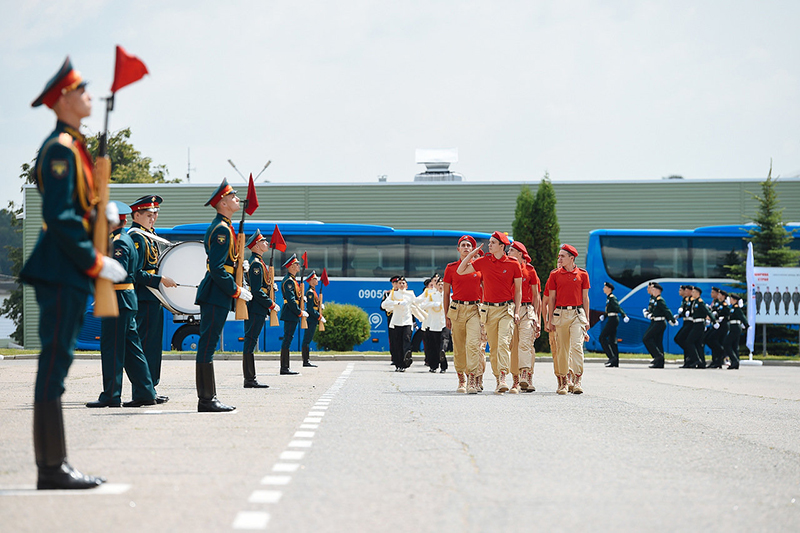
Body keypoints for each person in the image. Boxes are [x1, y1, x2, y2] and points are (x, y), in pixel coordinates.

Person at [22, 57, 128, 489]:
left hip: (68, 270)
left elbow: (76, 210)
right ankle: (51, 468)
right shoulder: (61, 149)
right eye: (82, 89)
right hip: (63, 268)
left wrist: (104, 215)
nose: (89, 95)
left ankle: (55, 465)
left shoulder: (71, 145)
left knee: (58, 362)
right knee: (54, 364)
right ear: (63, 98)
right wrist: (95, 260)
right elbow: (60, 217)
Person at [87, 200, 159, 408]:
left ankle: (111, 395)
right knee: (131, 350)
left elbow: (118, 273)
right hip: (125, 301)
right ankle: (145, 392)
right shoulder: (125, 238)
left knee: (112, 349)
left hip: (117, 300)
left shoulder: (118, 242)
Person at [195, 178, 252, 412]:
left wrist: (240, 265)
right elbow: (217, 268)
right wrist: (236, 289)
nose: (237, 199)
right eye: (233, 196)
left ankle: (209, 398)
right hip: (216, 293)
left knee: (209, 345)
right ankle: (206, 400)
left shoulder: (225, 226)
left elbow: (224, 263)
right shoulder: (221, 229)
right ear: (223, 202)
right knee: (207, 345)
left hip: (218, 293)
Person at [457, 231, 522, 394]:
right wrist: (472, 254)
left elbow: (519, 291)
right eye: (490, 242)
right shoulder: (483, 261)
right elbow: (461, 270)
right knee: (493, 347)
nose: (489, 245)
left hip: (506, 309)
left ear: (502, 246)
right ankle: (497, 377)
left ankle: (502, 378)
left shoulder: (514, 264)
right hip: (489, 310)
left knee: (503, 343)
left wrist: (517, 311)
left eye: (493, 242)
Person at [128, 194, 176, 402]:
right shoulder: (137, 237)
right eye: (148, 215)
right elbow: (135, 273)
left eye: (155, 214)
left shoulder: (150, 235)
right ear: (136, 215)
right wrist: (160, 280)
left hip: (153, 299)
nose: (153, 218)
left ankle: (151, 389)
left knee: (153, 348)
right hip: (144, 298)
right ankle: (142, 392)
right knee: (145, 347)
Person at [544, 244, 590, 395]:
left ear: (572, 258)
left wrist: (587, 319)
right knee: (562, 349)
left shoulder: (583, 274)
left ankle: (577, 380)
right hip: (560, 314)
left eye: (562, 256)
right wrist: (550, 319)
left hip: (577, 313)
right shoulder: (554, 275)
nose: (559, 258)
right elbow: (551, 299)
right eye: (559, 256)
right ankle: (564, 382)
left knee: (577, 346)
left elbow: (585, 298)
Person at [443, 236, 483, 393]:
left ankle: (472, 378)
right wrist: (446, 315)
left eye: (469, 246)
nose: (466, 247)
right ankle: (461, 379)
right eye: (463, 245)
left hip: (475, 310)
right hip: (457, 310)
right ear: (458, 249)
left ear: (473, 251)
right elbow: (446, 294)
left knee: (473, 345)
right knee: (459, 347)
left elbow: (486, 289)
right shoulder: (451, 268)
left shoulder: (479, 267)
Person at [242, 229, 279, 388]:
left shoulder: (258, 262)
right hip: (256, 307)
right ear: (256, 245)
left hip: (257, 307)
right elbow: (256, 291)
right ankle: (249, 379)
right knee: (250, 342)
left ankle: (250, 378)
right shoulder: (256, 264)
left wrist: (271, 287)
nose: (266, 243)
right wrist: (271, 304)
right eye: (263, 241)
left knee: (251, 341)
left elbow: (261, 286)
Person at [507, 241, 540, 393]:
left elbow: (536, 296)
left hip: (527, 310)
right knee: (513, 346)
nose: (508, 253)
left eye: (512, 250)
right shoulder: (505, 268)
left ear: (520, 254)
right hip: (509, 309)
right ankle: (515, 378)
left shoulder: (530, 271)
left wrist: (537, 318)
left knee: (526, 343)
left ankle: (526, 375)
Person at [381, 276, 420, 371]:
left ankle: (406, 358)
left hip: (407, 321)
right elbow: (383, 305)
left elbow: (416, 305)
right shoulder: (393, 294)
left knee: (406, 339)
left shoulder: (410, 294)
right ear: (397, 285)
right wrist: (396, 303)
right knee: (397, 342)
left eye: (403, 283)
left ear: (406, 285)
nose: (402, 285)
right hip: (396, 322)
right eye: (400, 283)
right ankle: (398, 364)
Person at [279, 254, 307, 375]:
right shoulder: (289, 281)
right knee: (287, 339)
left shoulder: (292, 280)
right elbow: (290, 300)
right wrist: (299, 311)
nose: (298, 266)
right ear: (291, 266)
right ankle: (284, 368)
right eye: (296, 264)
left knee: (288, 338)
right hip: (291, 313)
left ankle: (285, 367)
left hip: (292, 313)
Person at [642, 282, 673, 369]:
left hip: (659, 322)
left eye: (652, 288)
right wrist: (648, 313)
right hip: (655, 321)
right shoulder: (654, 299)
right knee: (657, 342)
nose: (651, 290)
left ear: (657, 290)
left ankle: (658, 355)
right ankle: (660, 363)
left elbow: (666, 310)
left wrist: (672, 320)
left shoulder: (659, 300)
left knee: (646, 338)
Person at [419, 277, 446, 373]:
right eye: (439, 285)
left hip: (445, 322)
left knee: (443, 342)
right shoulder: (432, 296)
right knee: (434, 345)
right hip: (434, 323)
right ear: (436, 286)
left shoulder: (450, 296)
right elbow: (422, 305)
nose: (441, 286)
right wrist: (434, 304)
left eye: (443, 284)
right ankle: (434, 366)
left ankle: (443, 365)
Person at [598, 281, 628, 367]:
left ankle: (611, 357)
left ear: (609, 289)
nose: (603, 289)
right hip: (611, 318)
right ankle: (615, 361)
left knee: (602, 337)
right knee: (612, 340)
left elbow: (617, 307)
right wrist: (604, 316)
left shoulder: (612, 298)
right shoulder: (609, 298)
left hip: (613, 319)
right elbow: (609, 309)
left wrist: (624, 315)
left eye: (605, 287)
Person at [683, 286, 712, 369]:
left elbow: (708, 312)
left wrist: (714, 321)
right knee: (698, 344)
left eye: (694, 292)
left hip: (699, 324)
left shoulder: (700, 302)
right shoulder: (695, 302)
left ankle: (696, 359)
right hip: (695, 323)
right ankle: (702, 363)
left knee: (689, 341)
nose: (692, 293)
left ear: (698, 294)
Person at [302, 271, 323, 367]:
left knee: (308, 339)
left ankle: (307, 360)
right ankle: (305, 361)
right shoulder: (310, 293)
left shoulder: (313, 291)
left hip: (313, 319)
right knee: (307, 339)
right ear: (310, 281)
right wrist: (319, 316)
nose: (317, 279)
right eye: (315, 278)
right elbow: (310, 309)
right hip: (311, 319)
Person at [723, 294, 749, 369]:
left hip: (735, 328)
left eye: (731, 299)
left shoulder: (736, 308)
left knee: (726, 343)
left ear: (735, 300)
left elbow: (742, 316)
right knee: (734, 346)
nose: (730, 300)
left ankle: (735, 360)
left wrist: (746, 325)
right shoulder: (733, 308)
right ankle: (735, 363)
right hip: (734, 327)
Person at [707, 289, 730, 369]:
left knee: (712, 339)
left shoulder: (724, 304)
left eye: (720, 295)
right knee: (712, 340)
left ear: (723, 296)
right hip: (717, 325)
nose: (718, 296)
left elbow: (728, 314)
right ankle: (716, 361)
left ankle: (722, 352)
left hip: (723, 325)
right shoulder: (718, 303)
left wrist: (722, 317)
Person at [673, 286, 694, 367]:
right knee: (683, 340)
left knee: (679, 338)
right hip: (686, 321)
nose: (683, 292)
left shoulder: (691, 300)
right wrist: (679, 315)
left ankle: (691, 356)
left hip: (690, 322)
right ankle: (687, 360)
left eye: (685, 290)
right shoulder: (685, 299)